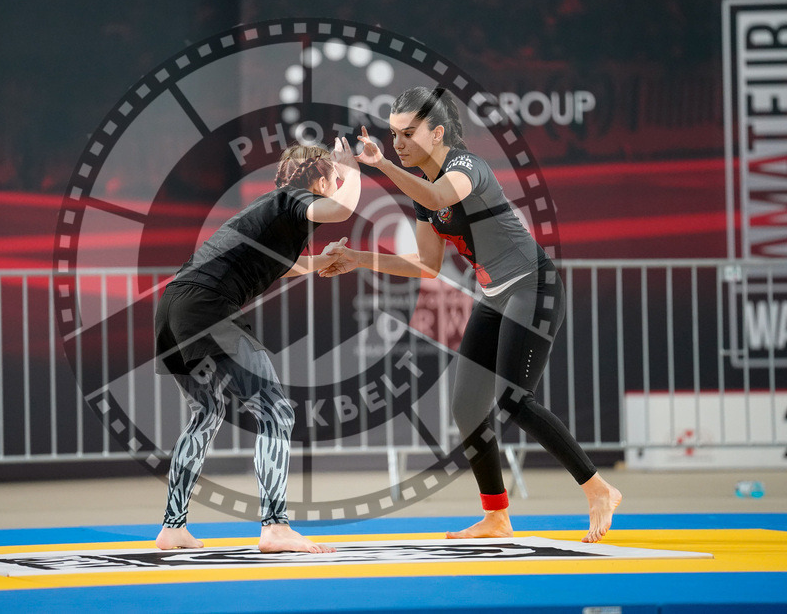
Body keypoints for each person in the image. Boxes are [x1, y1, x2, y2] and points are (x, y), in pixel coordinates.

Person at [319, 87, 621, 543]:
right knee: (465, 407)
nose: (398, 142)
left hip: (533, 286)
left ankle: (598, 489)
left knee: (516, 400)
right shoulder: (420, 191)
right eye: (393, 134)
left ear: (438, 133)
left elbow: (442, 195)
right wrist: (359, 258)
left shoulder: (465, 166)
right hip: (495, 296)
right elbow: (427, 264)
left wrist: (381, 165)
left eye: (408, 133)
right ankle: (497, 516)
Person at [154, 138, 360, 553]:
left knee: (207, 412)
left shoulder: (273, 211)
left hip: (174, 305)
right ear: (319, 176)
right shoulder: (294, 200)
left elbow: (284, 265)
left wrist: (324, 261)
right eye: (332, 177)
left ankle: (173, 527)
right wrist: (352, 166)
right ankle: (275, 526)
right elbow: (341, 209)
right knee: (277, 414)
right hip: (208, 306)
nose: (336, 181)